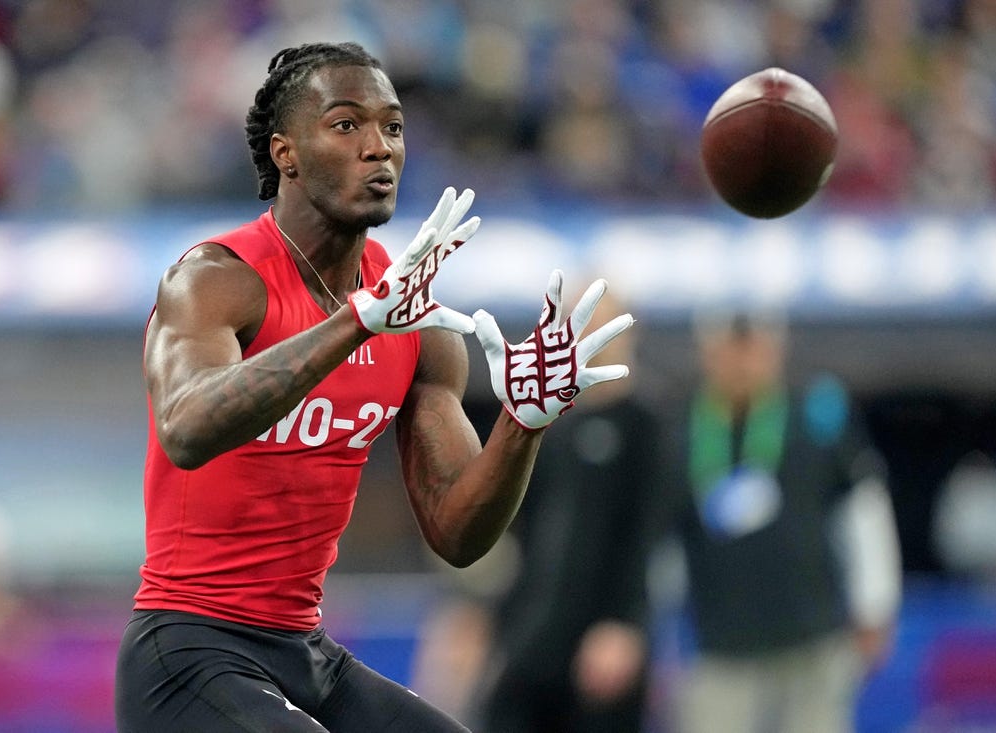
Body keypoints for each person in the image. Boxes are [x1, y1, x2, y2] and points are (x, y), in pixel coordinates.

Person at [114, 41, 634, 733]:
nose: (378, 147)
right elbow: (186, 428)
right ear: (285, 152)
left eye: (392, 126)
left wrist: (522, 422)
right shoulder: (216, 278)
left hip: (301, 648)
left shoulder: (413, 313)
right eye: (346, 124)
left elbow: (457, 532)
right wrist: (356, 322)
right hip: (186, 648)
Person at [670, 311, 902, 733]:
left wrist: (875, 605)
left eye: (753, 349)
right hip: (720, 645)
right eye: (730, 350)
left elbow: (864, 511)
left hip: (812, 638)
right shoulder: (682, 430)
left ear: (775, 351)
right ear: (707, 354)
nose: (742, 363)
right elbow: (663, 540)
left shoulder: (814, 418)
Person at [475, 289, 662, 733]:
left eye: (603, 322)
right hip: (532, 636)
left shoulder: (646, 425)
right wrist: (483, 612)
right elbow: (516, 529)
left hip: (603, 643)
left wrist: (625, 623)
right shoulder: (545, 424)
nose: (590, 334)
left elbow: (648, 534)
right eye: (580, 323)